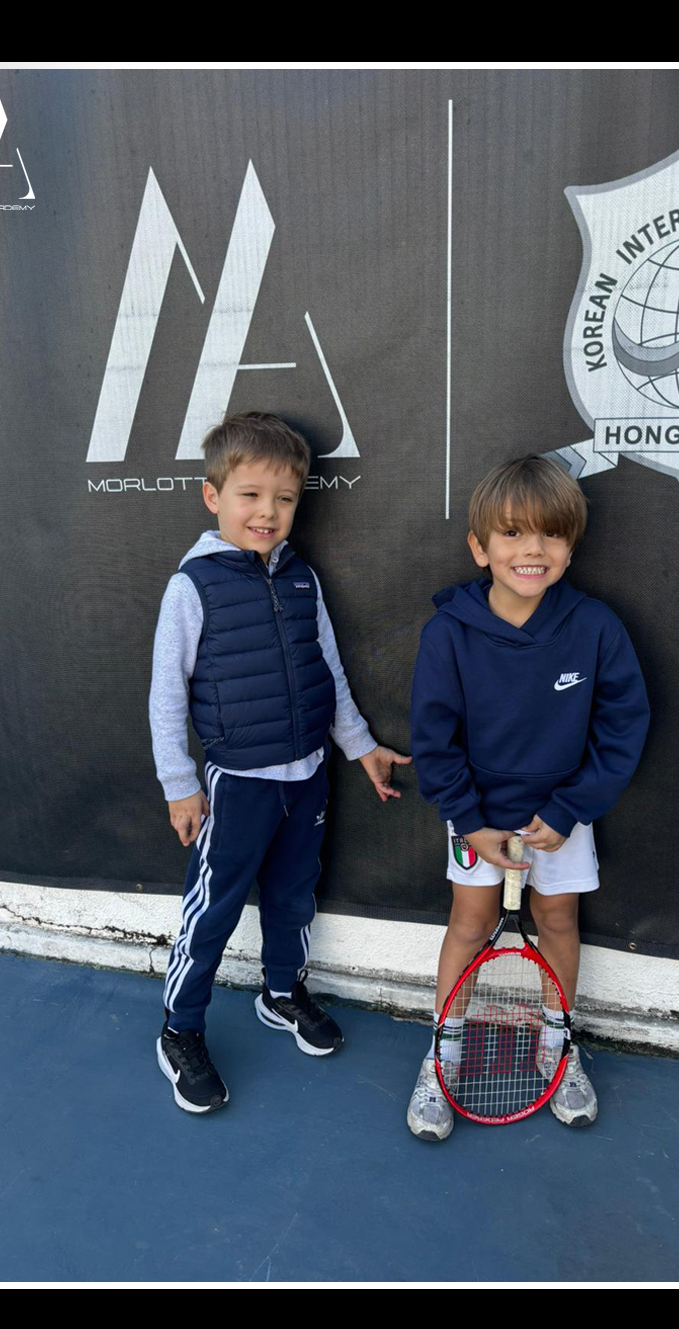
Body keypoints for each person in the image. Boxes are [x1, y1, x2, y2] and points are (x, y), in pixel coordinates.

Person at [149, 411, 411, 1113]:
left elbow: (326, 669)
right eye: (250, 495)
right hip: (237, 785)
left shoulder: (302, 579)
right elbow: (165, 696)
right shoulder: (192, 588)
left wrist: (358, 747)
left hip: (308, 776)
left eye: (285, 499)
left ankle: (282, 992)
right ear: (214, 496)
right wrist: (180, 784)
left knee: (295, 894)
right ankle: (181, 1029)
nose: (268, 512)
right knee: (213, 910)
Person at [406, 455, 650, 1139]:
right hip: (479, 819)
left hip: (562, 819)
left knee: (560, 925)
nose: (531, 550)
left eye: (549, 535)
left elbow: (623, 726)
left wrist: (571, 810)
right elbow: (434, 739)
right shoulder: (448, 633)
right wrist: (470, 821)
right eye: (512, 534)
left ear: (570, 547)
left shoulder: (596, 627)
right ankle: (443, 1054)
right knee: (469, 923)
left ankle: (558, 1047)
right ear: (480, 548)